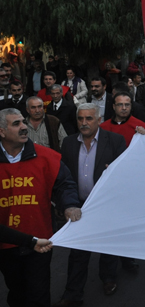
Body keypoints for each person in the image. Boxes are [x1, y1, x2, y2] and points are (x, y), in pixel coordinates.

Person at [0, 108, 81, 307]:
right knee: (16, 291)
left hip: (40, 240)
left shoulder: (46, 157)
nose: (24, 127)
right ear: (2, 131)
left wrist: (69, 205)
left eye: (23, 122)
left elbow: (64, 184)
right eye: (16, 124)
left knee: (39, 293)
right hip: (5, 243)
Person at [54, 103, 128, 306]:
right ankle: (72, 294)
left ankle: (109, 278)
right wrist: (64, 203)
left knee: (107, 245)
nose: (84, 123)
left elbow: (124, 173)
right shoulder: (68, 143)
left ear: (99, 120)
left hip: (106, 205)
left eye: (89, 118)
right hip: (79, 206)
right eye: (80, 118)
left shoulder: (115, 141)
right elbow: (64, 176)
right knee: (78, 251)